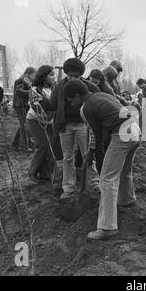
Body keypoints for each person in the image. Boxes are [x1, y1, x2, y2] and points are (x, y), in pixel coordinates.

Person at [64, 79, 140, 240]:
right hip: (135, 129)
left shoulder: (85, 108)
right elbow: (96, 131)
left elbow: (97, 134)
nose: (71, 104)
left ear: (77, 96)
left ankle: (107, 227)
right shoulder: (102, 95)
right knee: (125, 170)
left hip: (121, 133)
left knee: (106, 179)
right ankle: (127, 200)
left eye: (71, 100)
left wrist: (93, 153)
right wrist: (90, 151)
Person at [47, 58, 101, 200]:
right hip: (65, 125)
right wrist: (41, 102)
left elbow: (98, 98)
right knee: (67, 157)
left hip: (83, 125)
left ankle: (94, 183)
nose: (73, 79)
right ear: (66, 73)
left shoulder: (89, 86)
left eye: (76, 76)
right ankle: (69, 188)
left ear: (81, 75)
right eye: (70, 76)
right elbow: (52, 104)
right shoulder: (59, 86)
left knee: (88, 154)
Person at [26, 65, 57, 184]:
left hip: (48, 121)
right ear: (44, 76)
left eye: (54, 75)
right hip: (35, 120)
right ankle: (32, 172)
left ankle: (45, 174)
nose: (54, 77)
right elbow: (41, 106)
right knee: (43, 145)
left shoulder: (52, 88)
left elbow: (52, 104)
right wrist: (52, 105)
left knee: (49, 147)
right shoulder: (35, 89)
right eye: (51, 75)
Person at [12, 67, 36, 150]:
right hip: (19, 104)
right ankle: (24, 146)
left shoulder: (28, 82)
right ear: (27, 74)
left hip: (24, 104)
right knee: (24, 124)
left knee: (24, 124)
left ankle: (15, 143)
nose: (34, 77)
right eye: (33, 75)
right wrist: (30, 92)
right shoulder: (21, 80)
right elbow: (18, 91)